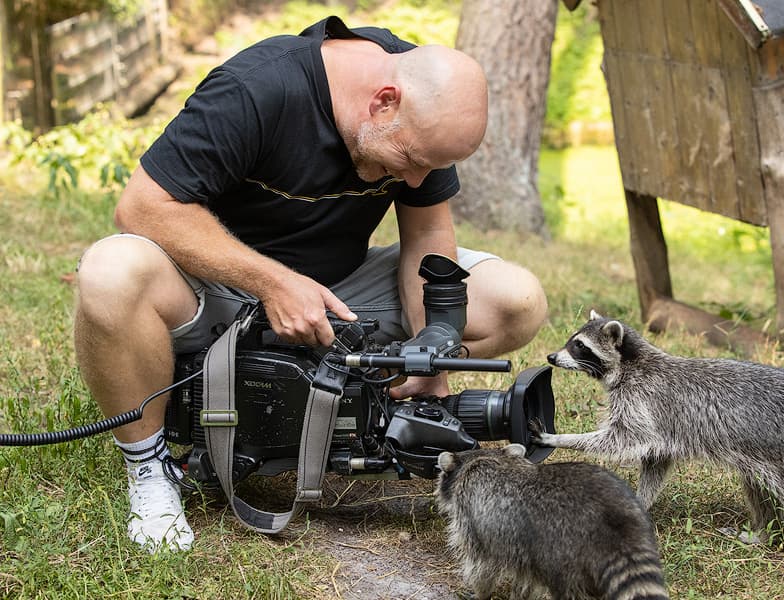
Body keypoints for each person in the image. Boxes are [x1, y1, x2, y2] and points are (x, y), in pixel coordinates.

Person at [73, 15, 548, 553]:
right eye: (412, 162)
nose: (415, 181)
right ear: (383, 101)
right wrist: (274, 283)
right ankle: (151, 470)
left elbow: (428, 234)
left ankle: (360, 397)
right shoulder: (259, 87)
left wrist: (431, 352)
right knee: (109, 271)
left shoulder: (427, 97)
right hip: (216, 286)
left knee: (516, 300)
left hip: (341, 293)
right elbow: (141, 206)